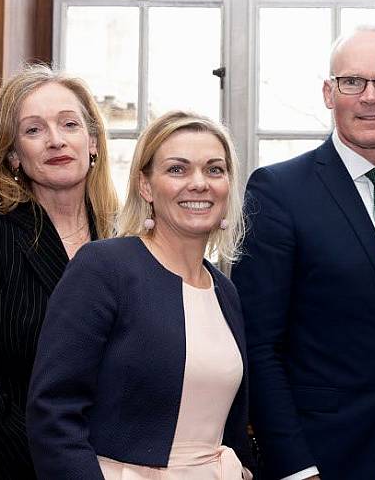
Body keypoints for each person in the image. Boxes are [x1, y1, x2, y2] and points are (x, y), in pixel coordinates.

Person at [232, 26, 375, 480]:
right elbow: (259, 346)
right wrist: (296, 467)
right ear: (328, 92)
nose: (370, 96)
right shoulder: (278, 191)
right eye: (352, 82)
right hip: (319, 460)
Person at [27, 111, 253, 479]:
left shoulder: (224, 291)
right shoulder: (105, 268)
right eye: (178, 169)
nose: (199, 183)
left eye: (214, 170)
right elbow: (53, 413)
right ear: (146, 186)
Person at [0, 64, 118, 479]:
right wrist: (63, 469)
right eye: (33, 130)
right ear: (13, 154)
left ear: (92, 142)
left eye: (68, 124)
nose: (55, 140)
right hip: (6, 466)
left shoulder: (123, 237)